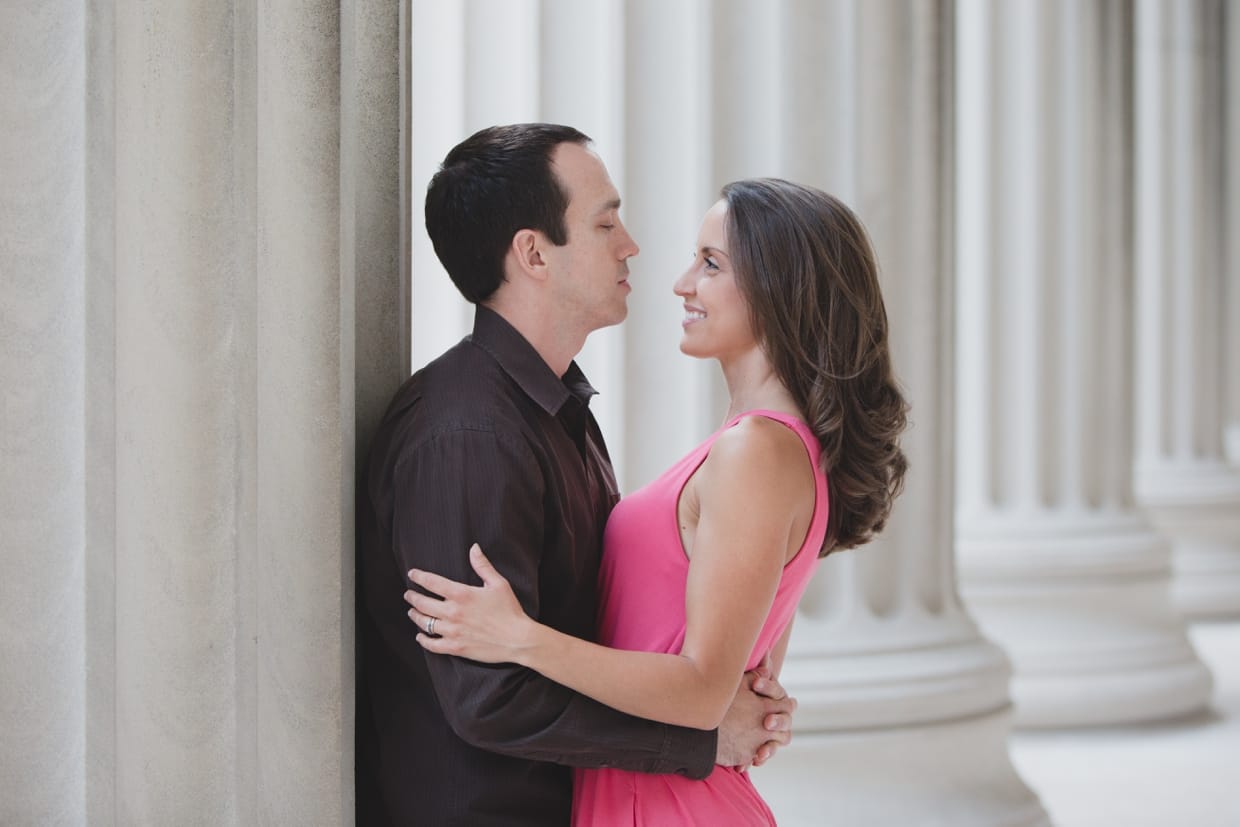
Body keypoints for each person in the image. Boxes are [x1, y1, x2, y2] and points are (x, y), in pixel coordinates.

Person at [404, 178, 911, 825]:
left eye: (710, 264)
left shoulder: (756, 452)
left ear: (777, 287)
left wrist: (522, 639)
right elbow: (752, 685)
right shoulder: (767, 449)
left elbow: (704, 692)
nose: (681, 283)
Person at [356, 125, 796, 826]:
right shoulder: (465, 436)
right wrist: (698, 737)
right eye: (604, 222)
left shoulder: (558, 409)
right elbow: (488, 699)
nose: (631, 244)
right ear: (533, 253)